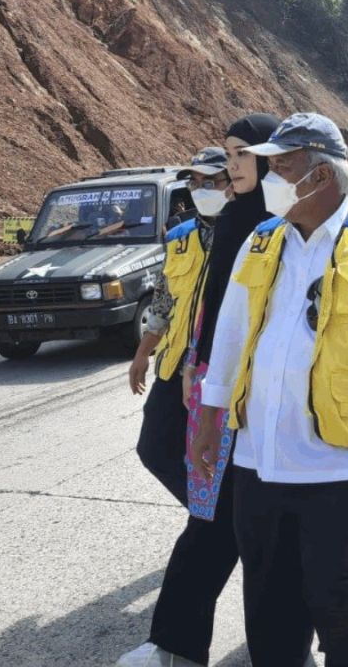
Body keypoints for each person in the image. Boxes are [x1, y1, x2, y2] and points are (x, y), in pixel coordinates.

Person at [191, 113, 348, 667]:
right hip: (258, 453)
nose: (270, 176)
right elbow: (231, 330)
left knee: (331, 591)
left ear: (319, 177)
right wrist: (208, 419)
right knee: (267, 596)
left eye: (282, 166)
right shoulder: (262, 239)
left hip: (335, 457)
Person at [119, 137, 256, 667]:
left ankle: (220, 520)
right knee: (154, 449)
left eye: (214, 180)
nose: (205, 190)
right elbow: (164, 298)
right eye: (197, 183)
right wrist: (143, 351)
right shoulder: (180, 237)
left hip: (215, 379)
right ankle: (223, 520)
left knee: (215, 506)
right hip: (178, 366)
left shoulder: (245, 230)